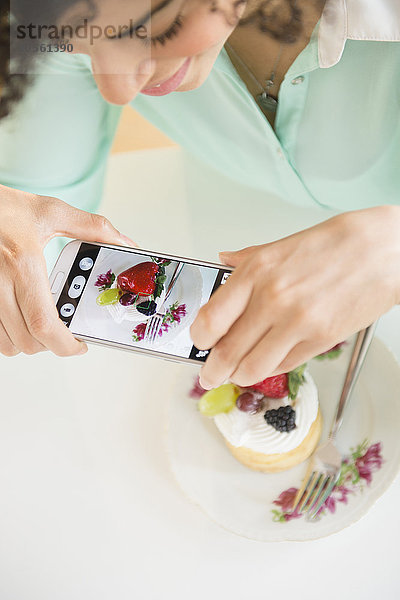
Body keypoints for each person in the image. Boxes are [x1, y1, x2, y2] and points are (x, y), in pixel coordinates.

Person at [1, 0, 400, 391]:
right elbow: (35, 212)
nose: (120, 89)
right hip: (210, 230)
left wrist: (390, 250)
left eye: (158, 29)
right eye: (76, 42)